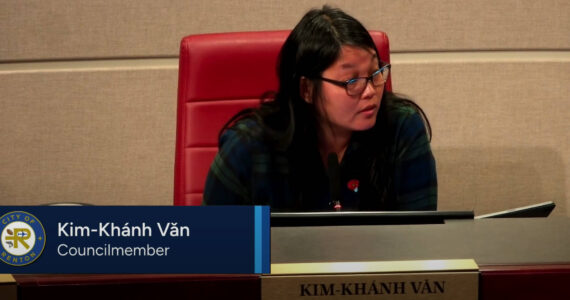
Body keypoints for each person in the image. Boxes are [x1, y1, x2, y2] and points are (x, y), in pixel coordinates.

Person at [203, 6, 437, 211]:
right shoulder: (248, 148)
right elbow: (212, 248)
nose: (370, 91)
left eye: (376, 72)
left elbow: (419, 241)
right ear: (307, 89)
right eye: (352, 81)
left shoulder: (401, 130)